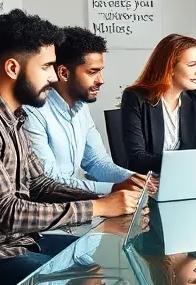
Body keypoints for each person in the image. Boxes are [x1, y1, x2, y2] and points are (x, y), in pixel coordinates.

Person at [0, 10, 142, 285]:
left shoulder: (12, 115)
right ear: (13, 68)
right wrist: (99, 208)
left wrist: (105, 198)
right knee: (77, 279)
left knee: (93, 255)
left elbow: (39, 184)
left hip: (15, 243)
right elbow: (7, 213)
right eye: (47, 66)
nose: (53, 76)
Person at [24, 26, 150, 195]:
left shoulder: (81, 107)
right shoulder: (32, 112)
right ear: (64, 73)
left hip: (81, 201)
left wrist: (134, 179)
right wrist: (114, 188)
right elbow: (50, 181)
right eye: (92, 72)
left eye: (100, 71)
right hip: (56, 205)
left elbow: (97, 162)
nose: (101, 80)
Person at [118, 33, 196, 173]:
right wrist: (186, 162)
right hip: (150, 179)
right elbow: (137, 158)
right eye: (192, 65)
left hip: (189, 176)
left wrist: (188, 163)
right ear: (170, 67)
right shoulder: (135, 97)